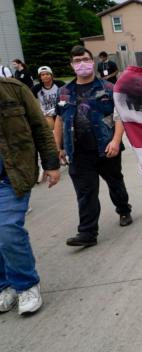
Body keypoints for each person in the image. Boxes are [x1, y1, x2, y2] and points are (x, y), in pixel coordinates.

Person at [54, 46, 133, 247]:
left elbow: (119, 117)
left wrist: (116, 141)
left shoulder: (108, 88)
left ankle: (123, 209)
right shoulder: (64, 92)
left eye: (85, 59)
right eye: (77, 60)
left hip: (106, 149)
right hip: (78, 153)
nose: (82, 63)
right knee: (85, 193)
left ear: (93, 61)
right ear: (71, 65)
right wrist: (59, 147)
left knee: (115, 183)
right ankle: (87, 233)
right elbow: (59, 121)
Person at [0, 76, 60, 316]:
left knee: (7, 230)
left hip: (12, 175)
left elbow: (40, 128)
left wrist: (51, 163)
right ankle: (5, 285)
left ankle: (26, 284)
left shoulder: (13, 90)